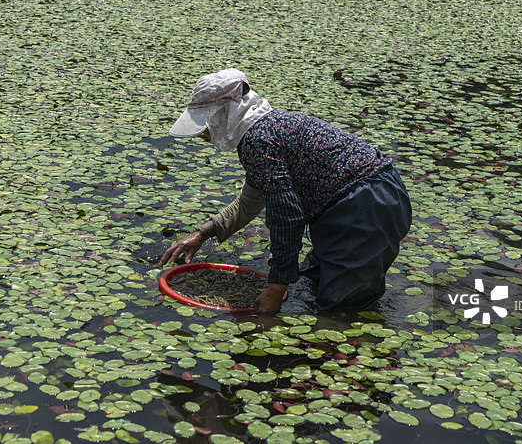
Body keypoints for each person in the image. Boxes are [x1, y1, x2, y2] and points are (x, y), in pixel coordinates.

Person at [160, 68, 412, 313]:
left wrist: (276, 289)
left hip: (364, 207)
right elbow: (249, 202)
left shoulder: (258, 142)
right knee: (313, 279)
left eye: (206, 125)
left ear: (222, 115)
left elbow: (287, 218)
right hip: (376, 196)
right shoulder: (267, 130)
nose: (205, 135)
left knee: (339, 310)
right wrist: (202, 234)